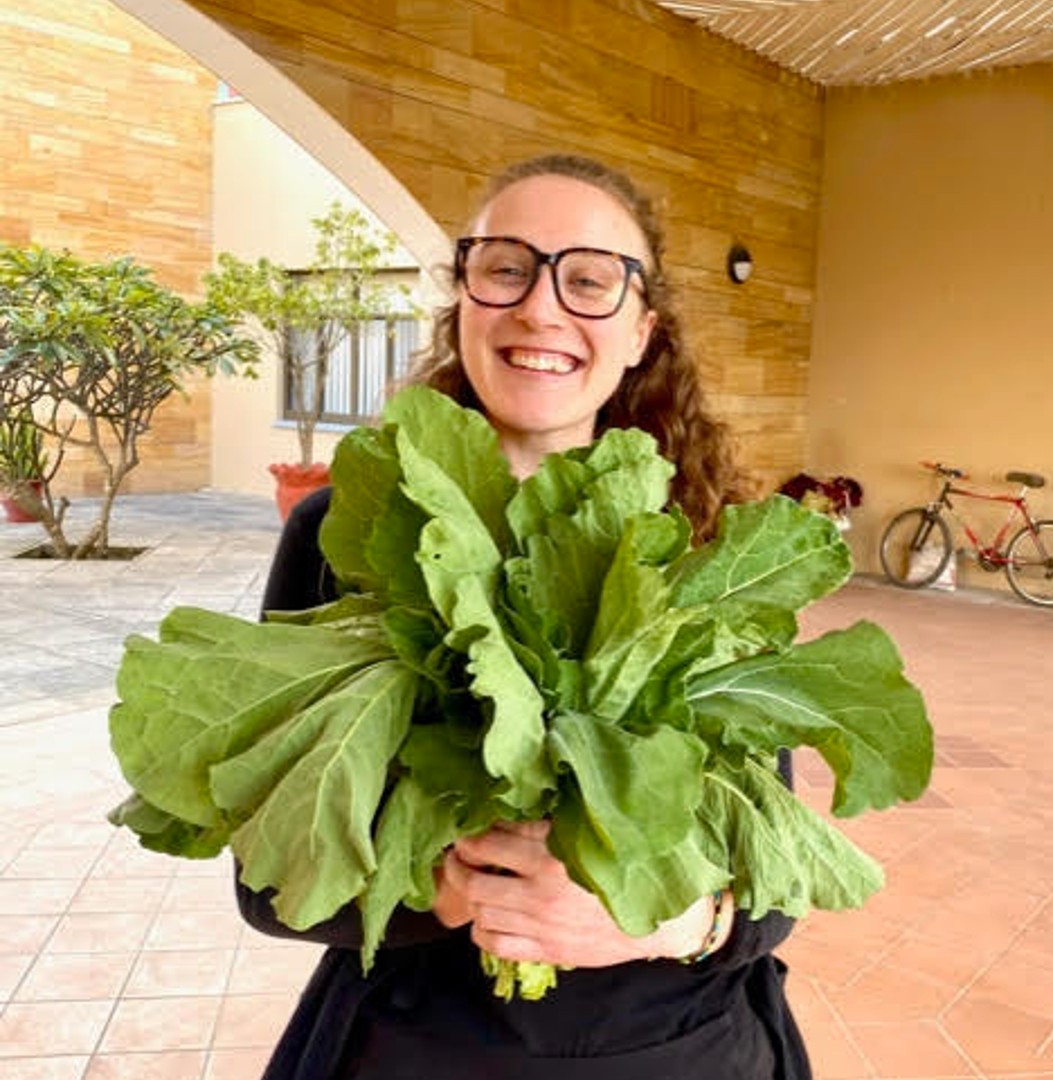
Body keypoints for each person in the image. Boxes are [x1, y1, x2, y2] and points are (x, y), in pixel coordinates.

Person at [238, 153, 812, 1079]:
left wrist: (678, 917)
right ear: (462, 298)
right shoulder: (341, 528)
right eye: (507, 267)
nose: (542, 308)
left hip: (683, 1046)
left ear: (640, 332)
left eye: (590, 280)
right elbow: (269, 883)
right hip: (418, 1046)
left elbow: (776, 870)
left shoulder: (708, 547)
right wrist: (441, 888)